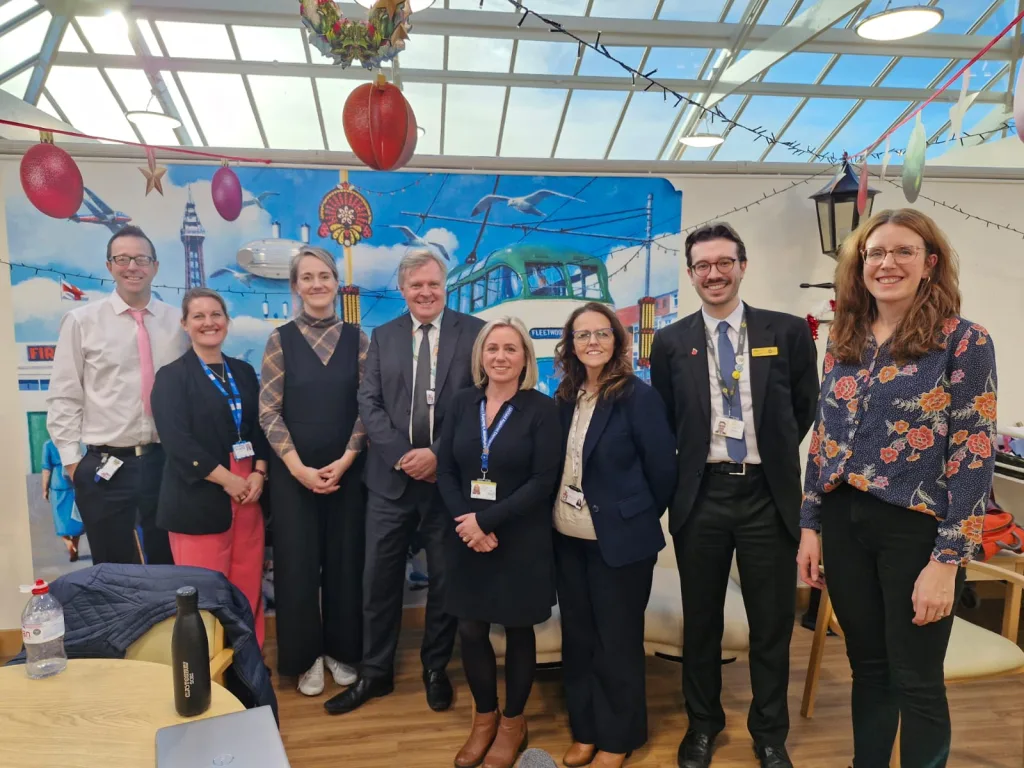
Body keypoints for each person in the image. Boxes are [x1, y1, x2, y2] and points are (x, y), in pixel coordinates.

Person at [797, 209, 997, 768]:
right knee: (870, 670)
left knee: (917, 680)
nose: (888, 263)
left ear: (930, 263)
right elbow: (824, 435)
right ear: (860, 266)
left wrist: (948, 560)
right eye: (876, 253)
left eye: (903, 251)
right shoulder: (845, 338)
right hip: (843, 523)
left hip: (916, 531)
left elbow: (973, 453)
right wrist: (809, 525)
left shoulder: (963, 341)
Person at [650, 222, 818, 768]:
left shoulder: (788, 332)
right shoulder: (672, 342)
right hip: (701, 497)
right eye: (703, 265)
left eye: (724, 262)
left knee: (772, 623)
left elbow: (802, 409)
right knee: (702, 621)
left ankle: (769, 734)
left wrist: (761, 453)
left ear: (742, 266)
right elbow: (670, 418)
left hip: (767, 498)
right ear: (693, 273)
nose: (714, 274)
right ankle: (703, 725)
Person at [328, 249, 484, 715]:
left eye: (433, 284)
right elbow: (368, 401)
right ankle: (375, 674)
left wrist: (438, 456)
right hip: (389, 483)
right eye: (416, 285)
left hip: (447, 482)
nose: (425, 292)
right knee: (378, 582)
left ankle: (435, 668)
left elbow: (481, 403)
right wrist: (402, 456)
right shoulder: (384, 335)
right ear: (403, 290)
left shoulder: (473, 332)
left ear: (445, 285)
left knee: (444, 583)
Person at [552, 303, 677, 768]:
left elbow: (663, 470)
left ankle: (618, 737)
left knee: (617, 641)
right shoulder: (565, 397)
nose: (592, 343)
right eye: (582, 335)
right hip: (568, 537)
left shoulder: (637, 397)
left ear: (617, 340)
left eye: (601, 333)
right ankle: (585, 730)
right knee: (579, 638)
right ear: (570, 345)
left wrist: (630, 515)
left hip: (619, 543)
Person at [437, 317, 561, 768]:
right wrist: (467, 523)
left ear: (525, 357)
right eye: (493, 348)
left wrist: (487, 521)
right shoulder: (461, 403)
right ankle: (484, 718)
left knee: (517, 629)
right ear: (481, 356)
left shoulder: (542, 410)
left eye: (511, 349)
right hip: (465, 535)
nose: (501, 357)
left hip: (519, 536)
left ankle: (513, 722)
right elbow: (446, 469)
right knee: (470, 629)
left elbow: (542, 481)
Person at [259, 247, 369, 695]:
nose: (317, 284)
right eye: (308, 277)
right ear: (295, 286)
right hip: (294, 476)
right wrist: (298, 468)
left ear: (335, 283)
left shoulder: (360, 339)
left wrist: (346, 458)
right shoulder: (278, 340)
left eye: (325, 275)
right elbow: (268, 412)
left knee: (346, 566)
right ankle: (305, 659)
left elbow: (369, 407)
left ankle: (343, 652)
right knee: (297, 569)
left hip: (349, 472)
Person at [47, 225, 187, 565]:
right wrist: (71, 461)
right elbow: (64, 395)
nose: (132, 266)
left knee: (167, 565)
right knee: (112, 569)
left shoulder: (177, 323)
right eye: (122, 258)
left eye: (141, 258)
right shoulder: (82, 321)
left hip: (164, 463)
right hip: (105, 465)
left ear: (155, 266)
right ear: (109, 266)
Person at [151, 288, 270, 648]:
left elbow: (260, 428)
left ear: (227, 322)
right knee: (204, 592)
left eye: (216, 315)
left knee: (248, 585)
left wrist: (258, 474)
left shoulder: (245, 372)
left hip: (249, 494)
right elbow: (178, 443)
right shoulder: (172, 377)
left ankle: (249, 663)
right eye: (199, 316)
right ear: (185, 324)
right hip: (200, 497)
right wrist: (229, 480)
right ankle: (209, 673)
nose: (209, 323)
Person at [41, 438, 85, 562]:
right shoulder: (76, 443)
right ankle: (75, 546)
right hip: (74, 482)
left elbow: (46, 469)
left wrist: (44, 489)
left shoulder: (48, 445)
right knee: (76, 517)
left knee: (59, 518)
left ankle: (69, 544)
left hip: (58, 485)